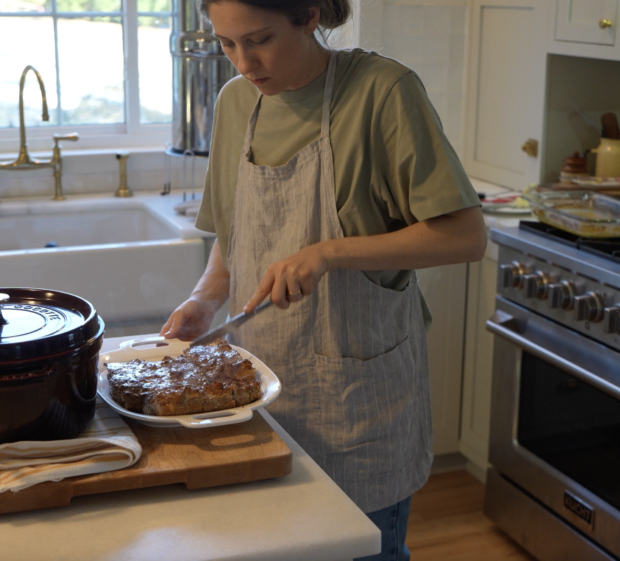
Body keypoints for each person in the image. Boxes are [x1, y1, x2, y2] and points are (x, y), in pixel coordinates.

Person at [160, 1, 486, 558]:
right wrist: (204, 299)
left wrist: (329, 252)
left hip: (356, 402)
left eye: (259, 39)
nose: (244, 62)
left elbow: (464, 236)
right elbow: (232, 234)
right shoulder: (237, 102)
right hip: (258, 395)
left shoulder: (383, 92)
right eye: (227, 43)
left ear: (310, 16)